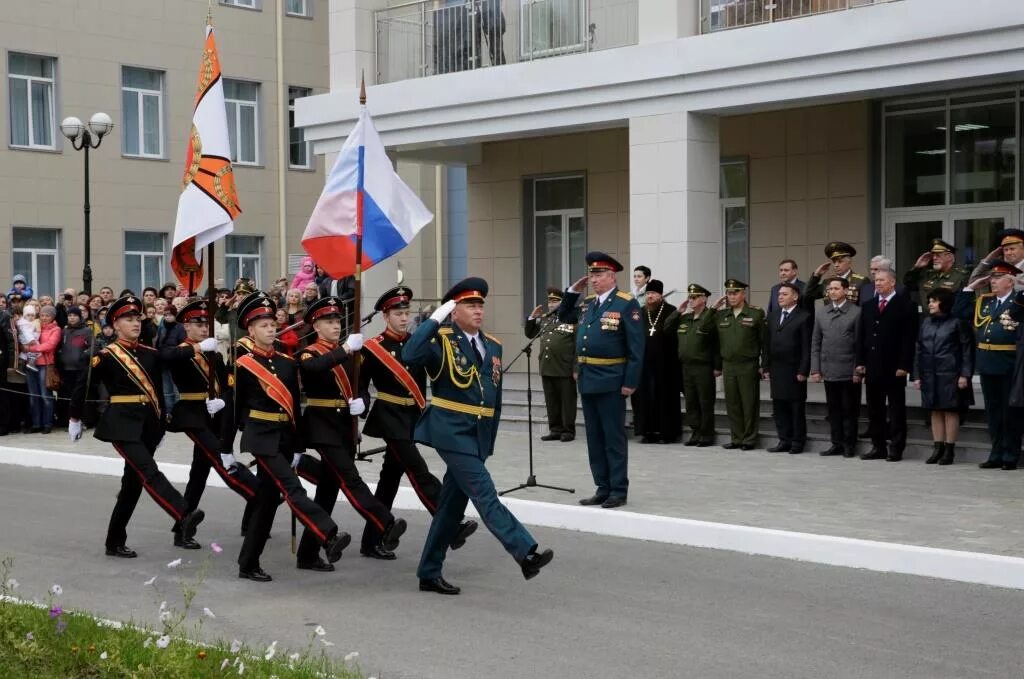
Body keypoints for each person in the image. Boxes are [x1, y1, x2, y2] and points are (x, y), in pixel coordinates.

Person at [404, 277, 554, 595]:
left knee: (450, 508)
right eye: (470, 305)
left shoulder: (493, 345)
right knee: (485, 494)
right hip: (450, 431)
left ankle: (429, 572)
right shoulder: (440, 341)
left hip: (477, 435)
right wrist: (434, 318)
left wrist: (488, 441)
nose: (478, 310)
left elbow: (494, 400)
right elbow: (410, 354)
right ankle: (526, 553)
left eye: (480, 305)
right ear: (453, 310)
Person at [224, 292, 351, 582]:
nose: (270, 329)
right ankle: (327, 534)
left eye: (272, 323)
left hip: (282, 438)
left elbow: (294, 406)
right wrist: (225, 447)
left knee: (268, 501)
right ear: (250, 330)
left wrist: (297, 446)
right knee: (293, 488)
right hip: (260, 438)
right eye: (263, 325)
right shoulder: (243, 364)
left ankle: (248, 563)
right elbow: (234, 409)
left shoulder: (286, 362)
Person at [67, 294, 205, 559]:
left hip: (147, 426)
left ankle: (114, 541)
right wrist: (75, 418)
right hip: (121, 424)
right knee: (149, 471)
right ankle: (183, 512)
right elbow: (82, 387)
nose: (135, 323)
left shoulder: (150, 354)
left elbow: (160, 385)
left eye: (137, 318)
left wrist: (162, 425)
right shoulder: (106, 355)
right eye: (128, 319)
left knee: (132, 485)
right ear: (115, 325)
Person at [358, 285, 478, 559]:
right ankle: (450, 525)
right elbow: (361, 386)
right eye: (397, 313)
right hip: (389, 417)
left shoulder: (418, 343)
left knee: (390, 478)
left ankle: (373, 539)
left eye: (406, 312)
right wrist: (360, 404)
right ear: (385, 316)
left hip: (413, 416)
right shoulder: (372, 349)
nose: (403, 318)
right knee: (418, 470)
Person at [295, 295, 408, 572]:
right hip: (322, 428)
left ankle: (308, 553)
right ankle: (385, 522)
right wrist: (345, 349)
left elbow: (359, 389)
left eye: (337, 321)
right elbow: (312, 369)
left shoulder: (349, 354)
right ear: (316, 327)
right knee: (351, 479)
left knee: (328, 491)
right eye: (328, 322)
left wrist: (362, 405)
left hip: (344, 427)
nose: (335, 326)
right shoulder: (310, 352)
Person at [161, 299, 261, 549]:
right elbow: (165, 356)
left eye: (207, 324)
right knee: (221, 459)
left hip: (215, 413)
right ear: (186, 326)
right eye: (198, 323)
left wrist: (225, 401)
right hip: (192, 415)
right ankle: (259, 496)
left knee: (199, 473)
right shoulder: (182, 349)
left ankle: (182, 526)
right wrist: (196, 349)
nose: (204, 328)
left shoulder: (214, 352)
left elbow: (227, 379)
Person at [558, 253, 643, 507]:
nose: (594, 280)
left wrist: (630, 382)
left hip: (612, 380)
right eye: (592, 275)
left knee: (613, 438)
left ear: (612, 276)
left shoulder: (626, 304)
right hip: (588, 379)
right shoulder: (588, 304)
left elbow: (636, 348)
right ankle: (602, 487)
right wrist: (572, 292)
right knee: (594, 438)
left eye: (599, 275)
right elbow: (564, 316)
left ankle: (618, 490)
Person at [954, 261, 1023, 470]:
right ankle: (996, 453)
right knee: (993, 412)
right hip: (987, 363)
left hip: (1009, 364)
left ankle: (1010, 455)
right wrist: (971, 288)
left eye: (997, 278)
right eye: (991, 278)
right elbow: (960, 312)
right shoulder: (985, 301)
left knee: (1009, 412)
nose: (992, 281)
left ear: (1010, 282)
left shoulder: (1018, 301)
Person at [856, 270, 917, 462]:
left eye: (882, 280)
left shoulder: (905, 305)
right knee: (875, 409)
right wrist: (860, 362)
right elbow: (862, 336)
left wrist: (904, 365)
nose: (878, 283)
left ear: (893, 282)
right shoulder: (868, 305)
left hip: (894, 366)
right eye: (876, 280)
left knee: (896, 409)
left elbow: (909, 338)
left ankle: (896, 447)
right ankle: (878, 446)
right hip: (873, 365)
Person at [702, 279, 766, 450]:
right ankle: (737, 438)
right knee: (732, 403)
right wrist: (714, 308)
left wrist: (764, 364)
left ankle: (749, 439)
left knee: (749, 403)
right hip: (728, 365)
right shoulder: (721, 315)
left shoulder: (755, 313)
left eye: (735, 293)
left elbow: (764, 341)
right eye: (729, 293)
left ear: (743, 294)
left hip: (748, 364)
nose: (731, 296)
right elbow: (703, 328)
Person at [913, 288, 973, 465]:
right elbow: (918, 349)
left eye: (934, 300)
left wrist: (965, 374)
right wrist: (917, 375)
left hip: (950, 373)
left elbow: (967, 350)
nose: (930, 303)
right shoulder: (926, 322)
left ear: (944, 303)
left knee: (950, 410)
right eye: (929, 300)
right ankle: (937, 447)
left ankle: (949, 449)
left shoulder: (957, 323)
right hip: (929, 373)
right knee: (935, 410)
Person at [809, 277, 862, 457]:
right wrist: (815, 369)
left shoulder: (856, 312)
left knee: (849, 410)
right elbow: (816, 342)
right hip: (829, 370)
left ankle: (849, 444)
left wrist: (857, 370)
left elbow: (859, 345)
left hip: (848, 371)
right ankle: (836, 443)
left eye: (836, 288)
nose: (832, 292)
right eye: (830, 289)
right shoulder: (822, 313)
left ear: (846, 290)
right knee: (833, 410)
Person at [664, 284, 717, 447]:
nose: (691, 300)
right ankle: (695, 432)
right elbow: (667, 328)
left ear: (704, 299)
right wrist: (678, 312)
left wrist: (717, 366)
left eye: (694, 297)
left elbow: (716, 344)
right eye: (690, 297)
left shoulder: (711, 317)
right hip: (686, 366)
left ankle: (706, 435)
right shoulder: (686, 318)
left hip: (703, 366)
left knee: (705, 401)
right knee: (691, 402)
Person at [763, 283, 812, 454]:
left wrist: (803, 370)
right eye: (779, 294)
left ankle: (797, 441)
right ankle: (784, 439)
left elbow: (807, 347)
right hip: (777, 369)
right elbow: (766, 344)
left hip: (794, 370)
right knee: (779, 407)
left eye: (784, 294)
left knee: (795, 407)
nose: (780, 297)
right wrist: (765, 366)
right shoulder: (773, 316)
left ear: (795, 297)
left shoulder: (804, 317)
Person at [525, 287, 578, 442]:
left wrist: (576, 367)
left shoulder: (571, 318)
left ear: (563, 303)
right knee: (551, 400)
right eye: (550, 301)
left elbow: (577, 344)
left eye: (555, 301)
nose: (551, 304)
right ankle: (555, 429)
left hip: (564, 366)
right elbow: (530, 334)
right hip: (547, 365)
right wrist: (531, 319)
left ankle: (568, 430)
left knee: (567, 400)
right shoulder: (545, 319)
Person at [634, 279, 682, 444]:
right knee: (645, 397)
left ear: (661, 295)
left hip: (665, 363)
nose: (650, 297)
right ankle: (647, 432)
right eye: (648, 293)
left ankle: (666, 433)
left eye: (653, 293)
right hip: (645, 363)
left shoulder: (671, 310)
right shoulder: (641, 311)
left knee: (664, 397)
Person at [904, 239, 970, 313]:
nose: (934, 258)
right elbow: (908, 284)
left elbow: (963, 303)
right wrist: (917, 267)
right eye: (933, 255)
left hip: (949, 321)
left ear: (949, 257)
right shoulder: (928, 275)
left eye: (938, 255)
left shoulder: (961, 277)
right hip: (927, 320)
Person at [26, 305, 60, 433]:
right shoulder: (34, 326)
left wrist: (32, 348)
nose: (44, 318)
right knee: (33, 396)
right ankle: (36, 423)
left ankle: (47, 423)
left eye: (47, 315)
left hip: (45, 365)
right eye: (42, 315)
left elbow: (50, 345)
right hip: (31, 364)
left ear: (52, 317)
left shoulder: (55, 329)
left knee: (45, 395)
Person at [805, 242, 872, 306]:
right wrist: (816, 275)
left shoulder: (861, 281)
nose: (836, 265)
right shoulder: (828, 281)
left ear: (849, 263)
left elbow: (866, 306)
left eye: (840, 261)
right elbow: (807, 294)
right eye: (834, 262)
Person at [57, 306, 91, 427]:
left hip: (80, 369)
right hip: (66, 369)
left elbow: (94, 347)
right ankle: (68, 421)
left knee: (79, 396)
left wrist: (84, 355)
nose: (72, 318)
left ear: (79, 317)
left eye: (74, 315)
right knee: (67, 396)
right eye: (70, 315)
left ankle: (81, 420)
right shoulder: (64, 331)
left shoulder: (87, 330)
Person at [16, 303, 40, 372]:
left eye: (32, 315)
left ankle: (20, 367)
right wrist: (32, 340)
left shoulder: (25, 323)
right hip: (28, 340)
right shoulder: (26, 324)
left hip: (24, 340)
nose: (31, 317)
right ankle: (31, 363)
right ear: (24, 316)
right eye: (28, 315)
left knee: (24, 353)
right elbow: (27, 333)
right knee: (37, 350)